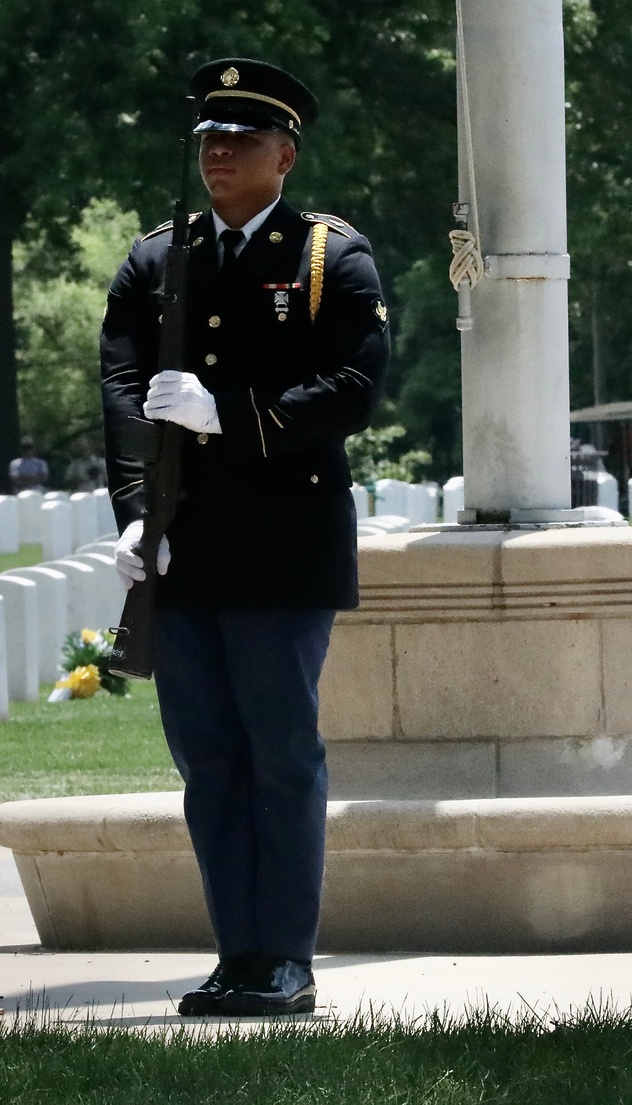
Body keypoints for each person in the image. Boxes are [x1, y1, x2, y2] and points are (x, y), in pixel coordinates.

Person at [101, 58, 390, 1017]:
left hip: (282, 546)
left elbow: (351, 388)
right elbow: (121, 387)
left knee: (279, 749)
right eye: (209, 139)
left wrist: (229, 413)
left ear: (285, 154)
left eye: (240, 139)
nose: (219, 154)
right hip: (184, 546)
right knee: (208, 760)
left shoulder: (327, 259)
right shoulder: (158, 259)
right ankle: (237, 951)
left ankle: (286, 958)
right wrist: (137, 510)